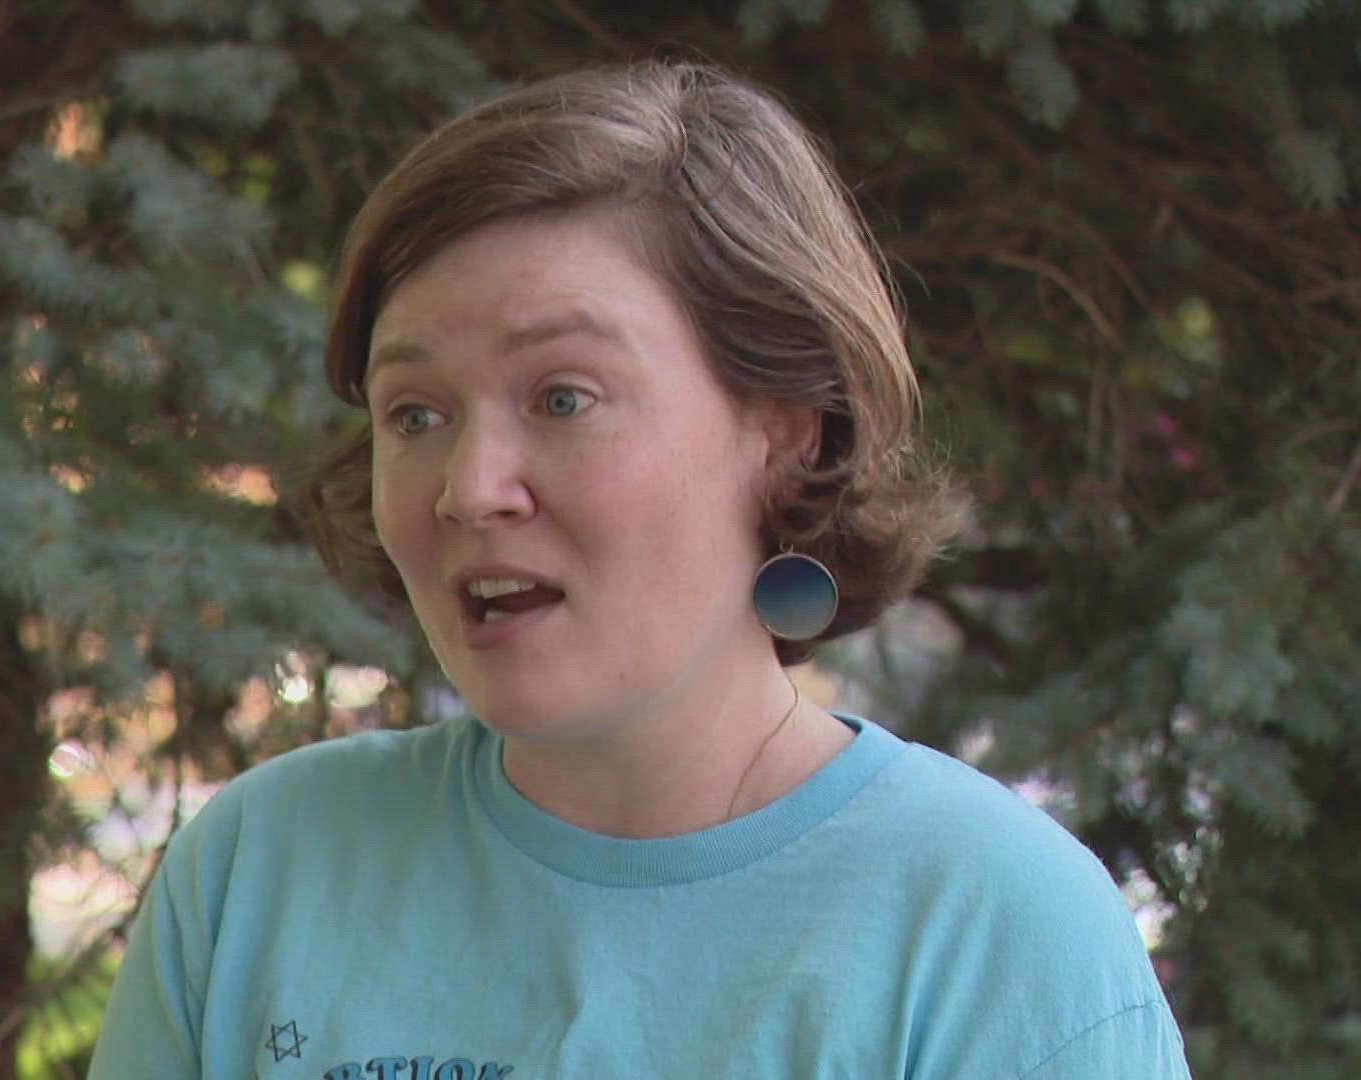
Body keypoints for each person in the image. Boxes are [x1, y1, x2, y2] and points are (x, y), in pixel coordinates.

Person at [87, 61, 1189, 1078]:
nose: (469, 488)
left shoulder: (994, 934)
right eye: (413, 412)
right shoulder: (257, 875)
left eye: (564, 397)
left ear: (789, 429)